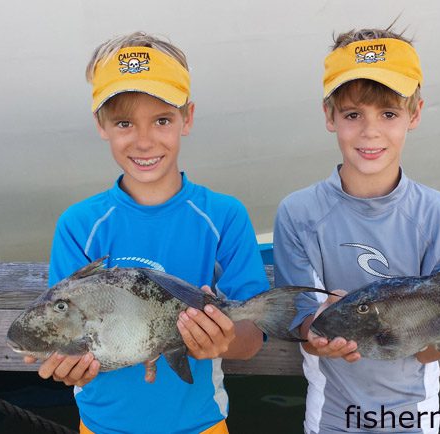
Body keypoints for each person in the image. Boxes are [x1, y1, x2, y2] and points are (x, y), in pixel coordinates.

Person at [272, 27, 440, 434]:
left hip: (415, 418)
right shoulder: (298, 213)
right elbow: (307, 325)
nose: (370, 131)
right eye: (353, 114)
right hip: (331, 419)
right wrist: (322, 327)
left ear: (415, 114)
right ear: (329, 116)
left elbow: (429, 350)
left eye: (389, 114)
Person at [23, 32, 268, 434]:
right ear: (101, 125)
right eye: (124, 122)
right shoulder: (79, 225)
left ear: (187, 118)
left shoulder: (223, 216)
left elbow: (251, 338)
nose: (143, 140)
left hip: (200, 424)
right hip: (103, 426)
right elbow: (67, 332)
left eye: (162, 120)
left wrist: (219, 340)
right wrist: (71, 369)